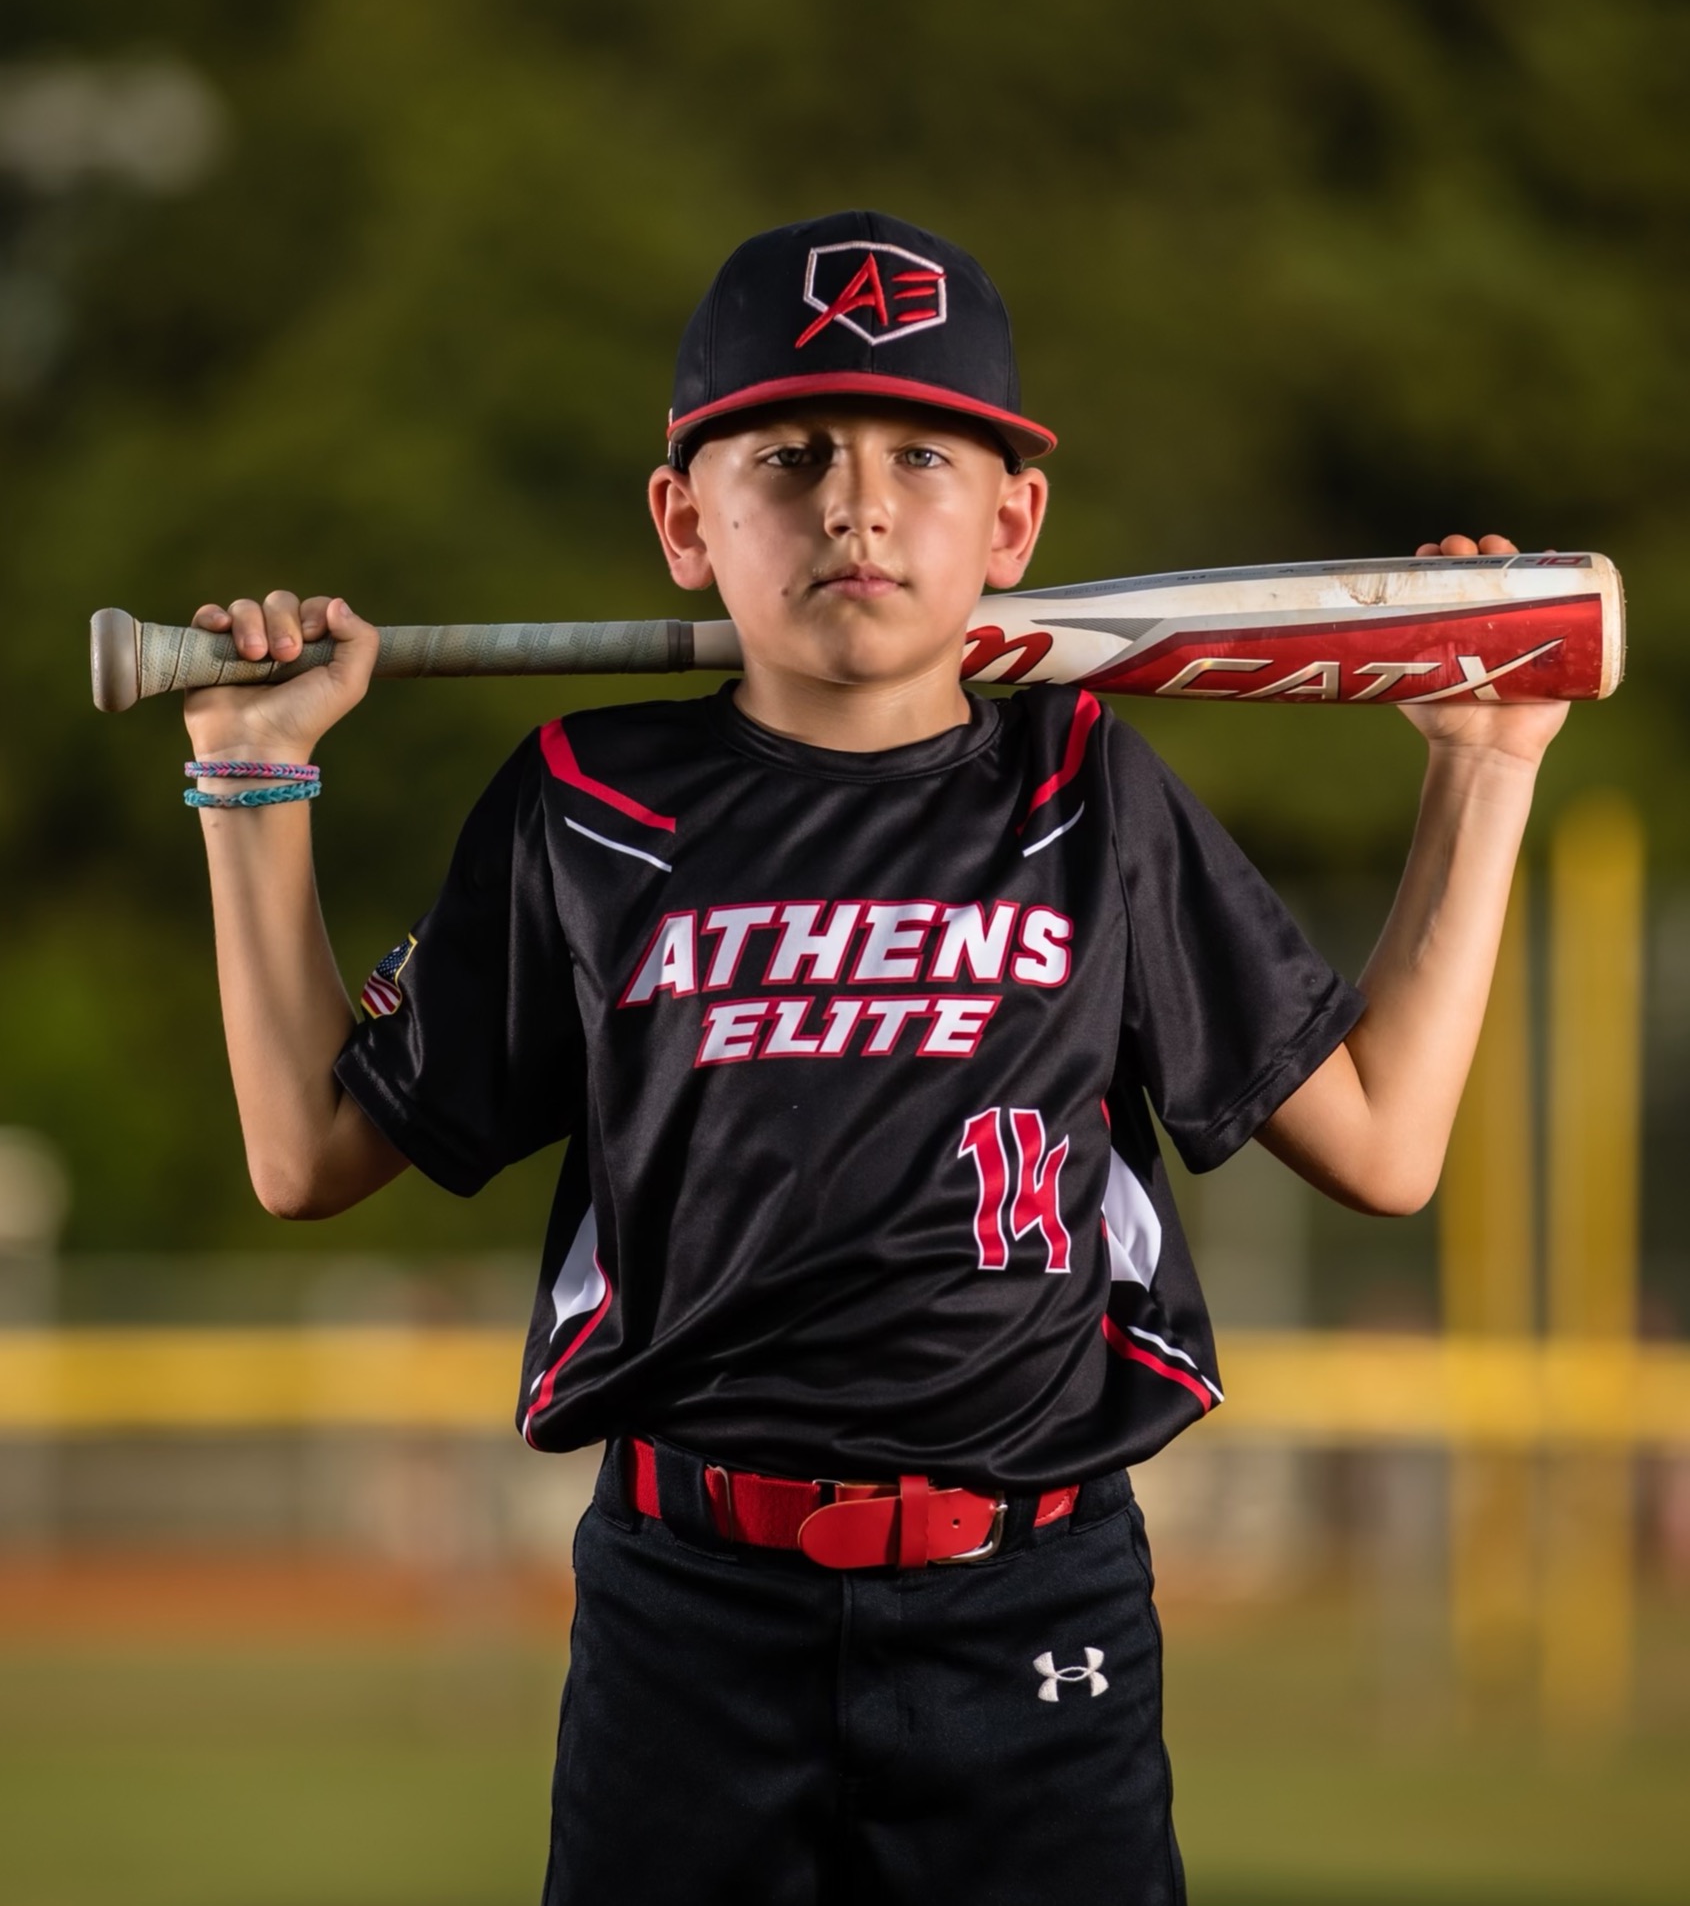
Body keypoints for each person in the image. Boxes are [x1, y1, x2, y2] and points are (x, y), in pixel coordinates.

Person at [181, 212, 1564, 1904]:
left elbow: (1386, 1145)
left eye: (921, 454)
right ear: (683, 521)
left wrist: (1481, 770)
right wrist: (251, 780)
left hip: (1031, 1607)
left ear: (1012, 524)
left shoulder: (1082, 793)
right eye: (788, 455)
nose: (854, 503)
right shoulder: (590, 810)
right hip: (687, 1614)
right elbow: (308, 1158)